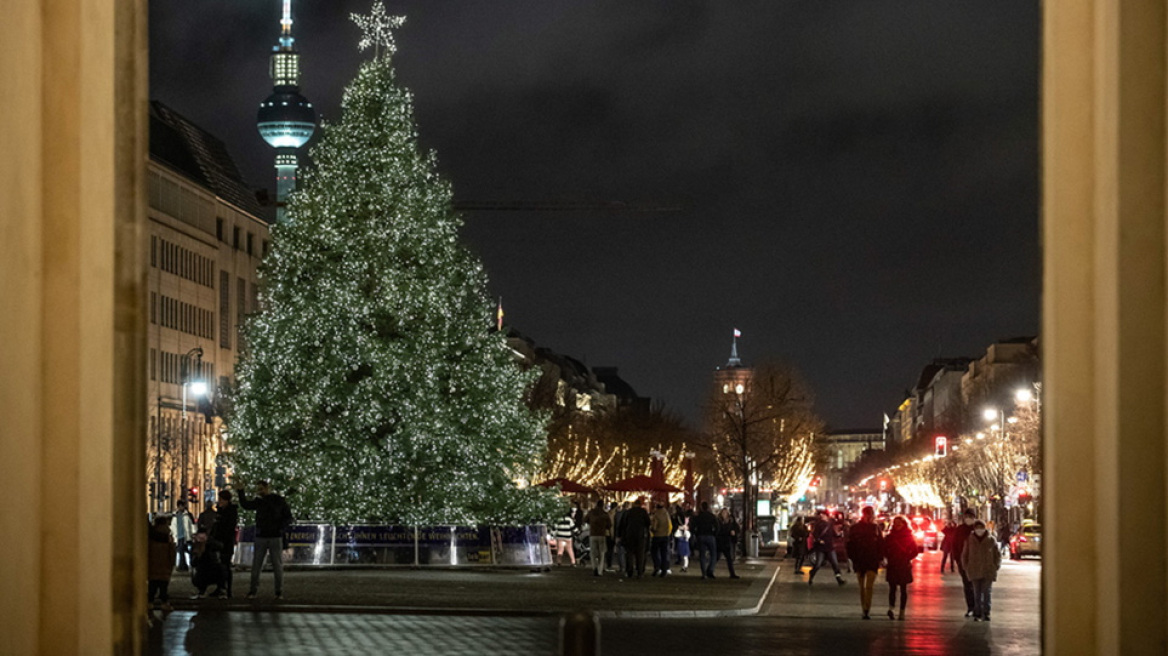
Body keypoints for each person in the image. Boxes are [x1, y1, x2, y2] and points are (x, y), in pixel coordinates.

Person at [236, 480, 293, 600]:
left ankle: (256, 591)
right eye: (259, 489)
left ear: (267, 488)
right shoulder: (276, 500)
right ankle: (276, 592)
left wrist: (241, 492)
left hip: (266, 535)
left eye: (261, 489)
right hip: (271, 535)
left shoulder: (266, 501)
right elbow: (288, 517)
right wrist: (280, 528)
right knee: (273, 565)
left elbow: (246, 505)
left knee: (261, 564)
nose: (260, 491)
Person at [846, 506, 884, 619]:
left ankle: (867, 608)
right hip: (860, 560)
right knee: (862, 586)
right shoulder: (856, 528)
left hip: (871, 560)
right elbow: (850, 545)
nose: (869, 516)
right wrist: (853, 558)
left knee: (869, 586)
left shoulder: (875, 528)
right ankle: (865, 608)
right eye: (868, 514)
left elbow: (881, 544)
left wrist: (880, 557)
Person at [961, 520, 1002, 621]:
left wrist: (996, 566)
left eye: (981, 527)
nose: (980, 530)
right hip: (974, 570)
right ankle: (977, 612)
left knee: (987, 592)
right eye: (977, 528)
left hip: (988, 570)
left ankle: (986, 612)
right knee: (977, 593)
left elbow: (997, 554)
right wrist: (966, 567)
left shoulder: (991, 540)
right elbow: (964, 555)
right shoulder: (969, 540)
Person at [884, 515, 917, 620]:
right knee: (892, 588)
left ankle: (902, 611)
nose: (897, 526)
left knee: (903, 589)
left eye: (899, 524)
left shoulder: (909, 537)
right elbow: (884, 549)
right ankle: (891, 608)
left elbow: (915, 551)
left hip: (903, 565)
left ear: (904, 525)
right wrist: (887, 557)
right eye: (895, 524)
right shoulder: (890, 537)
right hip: (893, 565)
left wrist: (907, 558)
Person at [208, 490, 239, 598]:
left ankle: (227, 589)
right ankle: (220, 587)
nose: (219, 501)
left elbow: (228, 527)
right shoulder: (221, 511)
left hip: (226, 542)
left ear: (226, 500)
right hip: (218, 541)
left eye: (221, 499)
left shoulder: (231, 511)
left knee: (225, 565)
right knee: (219, 566)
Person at [808, 509, 846, 586]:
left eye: (823, 515)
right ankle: (811, 576)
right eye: (821, 515)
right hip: (821, 547)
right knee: (818, 564)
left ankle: (839, 579)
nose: (821, 516)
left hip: (829, 546)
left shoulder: (830, 524)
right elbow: (815, 534)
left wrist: (839, 534)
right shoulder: (818, 524)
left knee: (835, 563)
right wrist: (819, 540)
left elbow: (833, 534)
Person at [952, 508, 978, 617]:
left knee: (977, 586)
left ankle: (978, 607)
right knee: (967, 586)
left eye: (971, 517)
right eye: (967, 516)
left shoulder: (978, 529)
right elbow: (954, 546)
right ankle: (971, 607)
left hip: (977, 563)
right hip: (964, 563)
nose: (968, 519)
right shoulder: (959, 530)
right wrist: (958, 560)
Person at [147, 514, 177, 612]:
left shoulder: (152, 536)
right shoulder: (168, 537)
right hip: (165, 566)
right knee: (163, 586)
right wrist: (171, 564)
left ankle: (149, 602)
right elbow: (172, 553)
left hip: (153, 565)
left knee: (152, 585)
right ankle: (164, 603)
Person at [617, 497, 651, 578]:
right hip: (640, 535)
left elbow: (622, 525)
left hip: (629, 535)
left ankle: (629, 571)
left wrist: (620, 536)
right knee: (640, 554)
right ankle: (640, 572)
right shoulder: (643, 512)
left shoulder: (628, 512)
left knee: (629, 554)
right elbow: (648, 523)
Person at [691, 501, 719, 579]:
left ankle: (704, 573)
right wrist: (714, 534)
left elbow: (692, 527)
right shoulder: (712, 516)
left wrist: (696, 534)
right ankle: (710, 569)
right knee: (713, 554)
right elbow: (717, 526)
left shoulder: (698, 517)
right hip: (710, 536)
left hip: (701, 536)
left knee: (702, 555)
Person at [585, 500, 612, 576]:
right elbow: (609, 525)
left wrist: (591, 524)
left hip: (593, 534)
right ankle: (600, 570)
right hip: (602, 535)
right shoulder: (605, 514)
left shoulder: (591, 512)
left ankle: (594, 567)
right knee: (602, 553)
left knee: (593, 553)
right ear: (602, 505)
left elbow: (585, 520)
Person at [715, 507, 741, 579]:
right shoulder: (719, 521)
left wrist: (734, 532)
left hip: (727, 542)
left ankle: (732, 574)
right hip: (720, 541)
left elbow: (736, 528)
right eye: (723, 513)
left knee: (729, 559)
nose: (724, 514)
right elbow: (718, 531)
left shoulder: (731, 521)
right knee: (716, 557)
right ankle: (709, 570)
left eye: (725, 513)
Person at [650, 502, 674, 577]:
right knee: (664, 554)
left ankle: (657, 566)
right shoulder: (666, 515)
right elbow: (670, 525)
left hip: (657, 536)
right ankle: (664, 570)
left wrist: (651, 529)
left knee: (654, 552)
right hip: (665, 536)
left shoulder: (656, 515)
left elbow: (654, 527)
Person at [170, 500, 195, 571]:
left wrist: (193, 534)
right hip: (178, 536)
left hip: (186, 536)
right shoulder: (175, 515)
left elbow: (191, 525)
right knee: (181, 551)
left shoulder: (187, 515)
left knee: (186, 551)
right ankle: (183, 566)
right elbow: (173, 526)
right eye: (179, 506)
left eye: (182, 506)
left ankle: (185, 565)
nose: (181, 507)